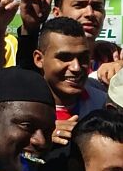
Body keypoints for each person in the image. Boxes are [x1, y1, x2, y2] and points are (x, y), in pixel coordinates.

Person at [16, 0, 120, 71]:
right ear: (57, 13)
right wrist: (30, 30)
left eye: (97, 7)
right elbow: (26, 75)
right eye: (79, 5)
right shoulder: (44, 66)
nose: (90, 13)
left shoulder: (115, 60)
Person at [35, 16, 108, 147]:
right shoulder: (22, 108)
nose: (76, 67)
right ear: (39, 59)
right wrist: (39, 140)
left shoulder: (103, 103)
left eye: (83, 58)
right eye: (64, 57)